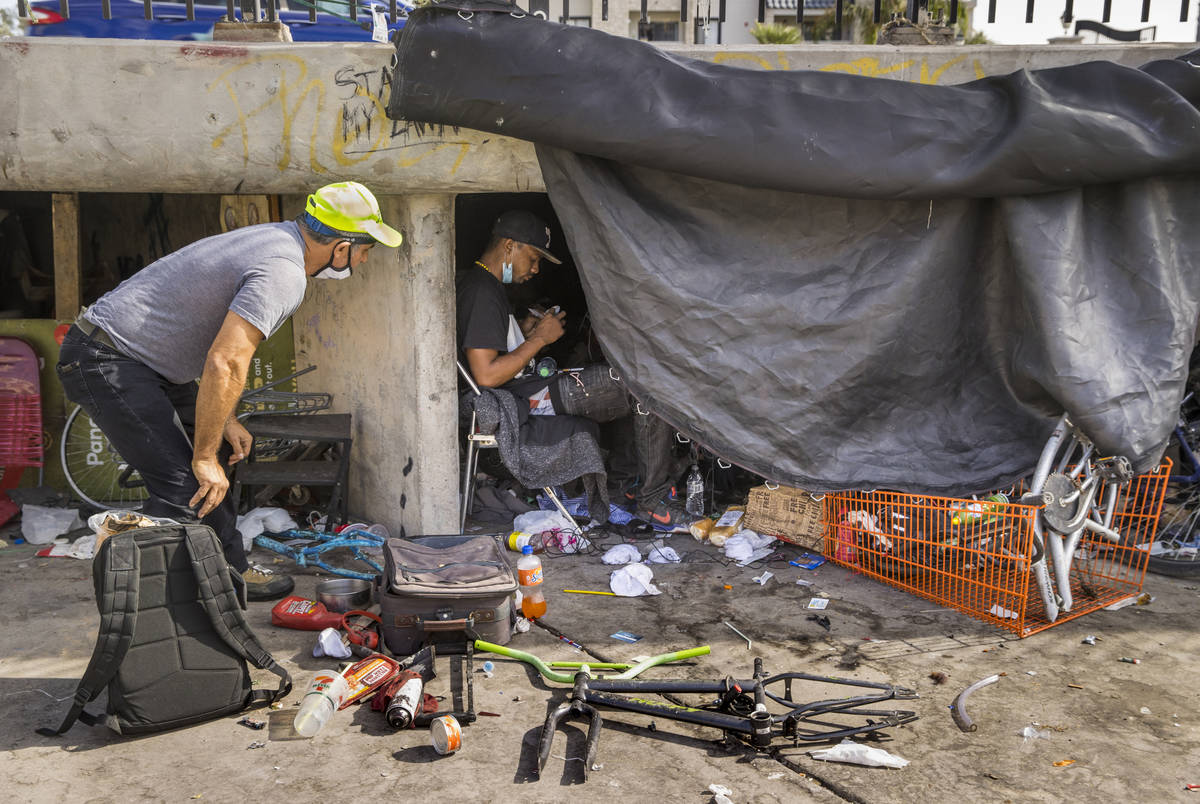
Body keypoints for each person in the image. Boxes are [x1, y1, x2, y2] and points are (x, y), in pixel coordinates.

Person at [56, 182, 404, 600]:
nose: (363, 261)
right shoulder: (284, 271)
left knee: (215, 459)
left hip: (147, 364)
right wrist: (201, 456)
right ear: (342, 247)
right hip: (107, 358)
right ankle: (155, 606)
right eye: (365, 250)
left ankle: (232, 572)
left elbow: (217, 350)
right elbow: (227, 361)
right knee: (186, 484)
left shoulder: (276, 236)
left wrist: (226, 421)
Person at [456, 209, 692, 528]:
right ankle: (650, 499)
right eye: (535, 257)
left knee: (636, 384)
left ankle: (623, 490)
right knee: (643, 386)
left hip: (526, 388)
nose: (536, 269)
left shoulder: (488, 287)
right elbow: (486, 375)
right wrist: (539, 339)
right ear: (510, 246)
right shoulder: (482, 290)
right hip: (520, 398)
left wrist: (523, 334)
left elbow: (493, 352)